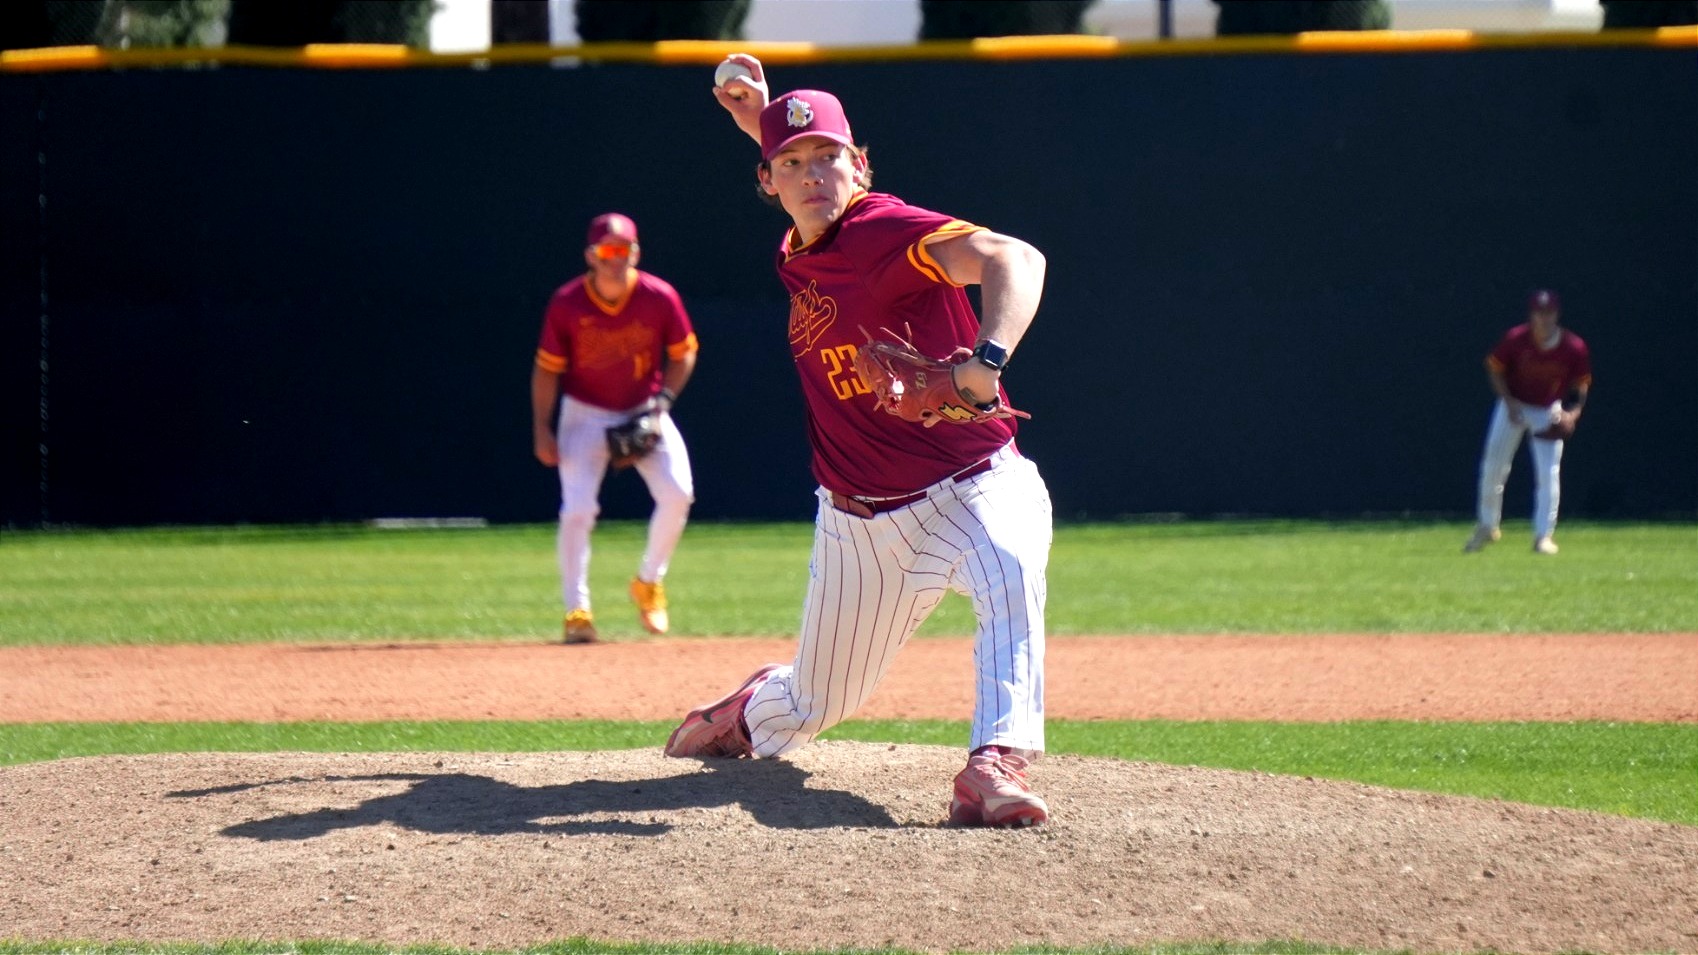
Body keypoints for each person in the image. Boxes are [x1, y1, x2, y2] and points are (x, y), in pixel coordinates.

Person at [662, 55, 1055, 828]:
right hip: (858, 521)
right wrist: (771, 120)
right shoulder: (802, 249)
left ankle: (995, 762)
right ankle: (751, 710)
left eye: (832, 158)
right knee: (817, 699)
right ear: (769, 181)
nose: (815, 174)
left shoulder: (881, 230)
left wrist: (986, 361)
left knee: (1010, 566)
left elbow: (1017, 257)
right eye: (793, 164)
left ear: (862, 167)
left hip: (972, 477)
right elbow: (797, 164)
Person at [531, 212, 699, 643]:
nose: (615, 258)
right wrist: (542, 428)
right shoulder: (568, 302)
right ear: (591, 255)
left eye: (623, 250)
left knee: (678, 493)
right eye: (607, 250)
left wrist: (661, 404)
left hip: (644, 408)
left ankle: (648, 581)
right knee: (578, 510)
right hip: (584, 413)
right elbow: (547, 370)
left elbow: (683, 353)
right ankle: (577, 610)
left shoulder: (658, 297)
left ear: (636, 253)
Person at [1464, 289, 1592, 556]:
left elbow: (1581, 384)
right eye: (1539, 313)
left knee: (1548, 474)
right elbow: (1495, 369)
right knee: (1493, 467)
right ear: (1531, 314)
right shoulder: (1516, 340)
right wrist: (1508, 400)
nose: (1543, 319)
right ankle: (1487, 526)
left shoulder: (1573, 347)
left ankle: (1543, 536)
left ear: (1556, 314)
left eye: (1548, 313)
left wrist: (1573, 413)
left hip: (1548, 410)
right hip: (1515, 406)